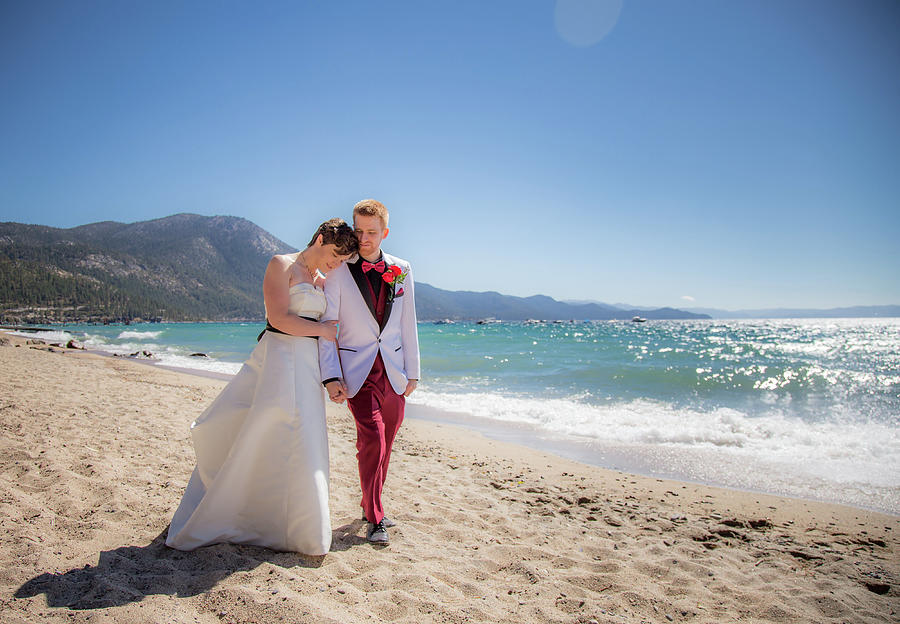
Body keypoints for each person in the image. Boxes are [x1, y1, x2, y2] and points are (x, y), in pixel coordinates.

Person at [165, 218, 358, 555]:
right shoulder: (281, 265)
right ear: (319, 239)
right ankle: (245, 517)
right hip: (279, 360)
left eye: (342, 260)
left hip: (309, 367)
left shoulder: (324, 280)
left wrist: (334, 372)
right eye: (335, 255)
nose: (336, 263)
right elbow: (279, 318)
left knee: (306, 440)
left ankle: (300, 529)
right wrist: (323, 330)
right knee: (266, 430)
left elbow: (333, 326)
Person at [319, 199, 420, 545]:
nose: (363, 238)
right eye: (358, 231)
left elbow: (408, 325)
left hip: (393, 372)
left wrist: (414, 372)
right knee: (373, 439)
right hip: (356, 373)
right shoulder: (338, 270)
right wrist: (331, 376)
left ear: (385, 233)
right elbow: (327, 326)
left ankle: (368, 502)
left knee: (385, 443)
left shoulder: (402, 269)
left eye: (371, 232)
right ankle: (376, 518)